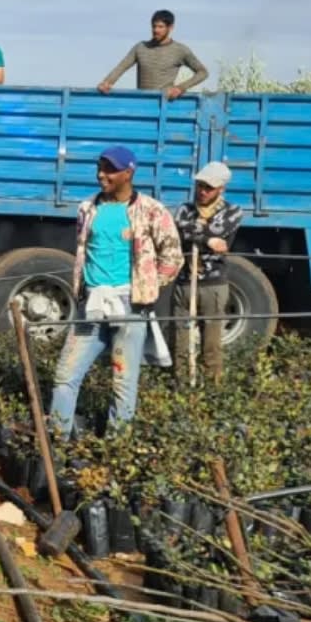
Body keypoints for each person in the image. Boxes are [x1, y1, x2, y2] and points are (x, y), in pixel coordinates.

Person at [48, 145, 182, 435]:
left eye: (110, 169)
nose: (101, 174)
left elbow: (172, 257)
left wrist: (147, 286)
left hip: (128, 305)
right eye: (100, 167)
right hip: (91, 305)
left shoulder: (151, 211)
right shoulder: (88, 209)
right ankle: (57, 442)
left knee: (123, 381)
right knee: (64, 376)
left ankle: (116, 449)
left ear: (128, 173)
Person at [172, 161, 245, 384]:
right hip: (184, 283)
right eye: (200, 186)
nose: (202, 191)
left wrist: (199, 234)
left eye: (208, 188)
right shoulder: (185, 209)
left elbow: (218, 232)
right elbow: (180, 230)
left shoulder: (233, 212)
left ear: (221, 188)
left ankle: (212, 391)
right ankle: (182, 388)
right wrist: (207, 240)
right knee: (180, 343)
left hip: (213, 284)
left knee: (211, 345)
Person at [97, 10, 211, 100]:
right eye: (154, 26)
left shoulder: (180, 50)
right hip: (143, 103)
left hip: (165, 105)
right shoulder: (140, 47)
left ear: (170, 27)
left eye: (160, 27)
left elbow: (203, 72)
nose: (156, 30)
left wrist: (180, 88)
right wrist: (107, 82)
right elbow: (122, 66)